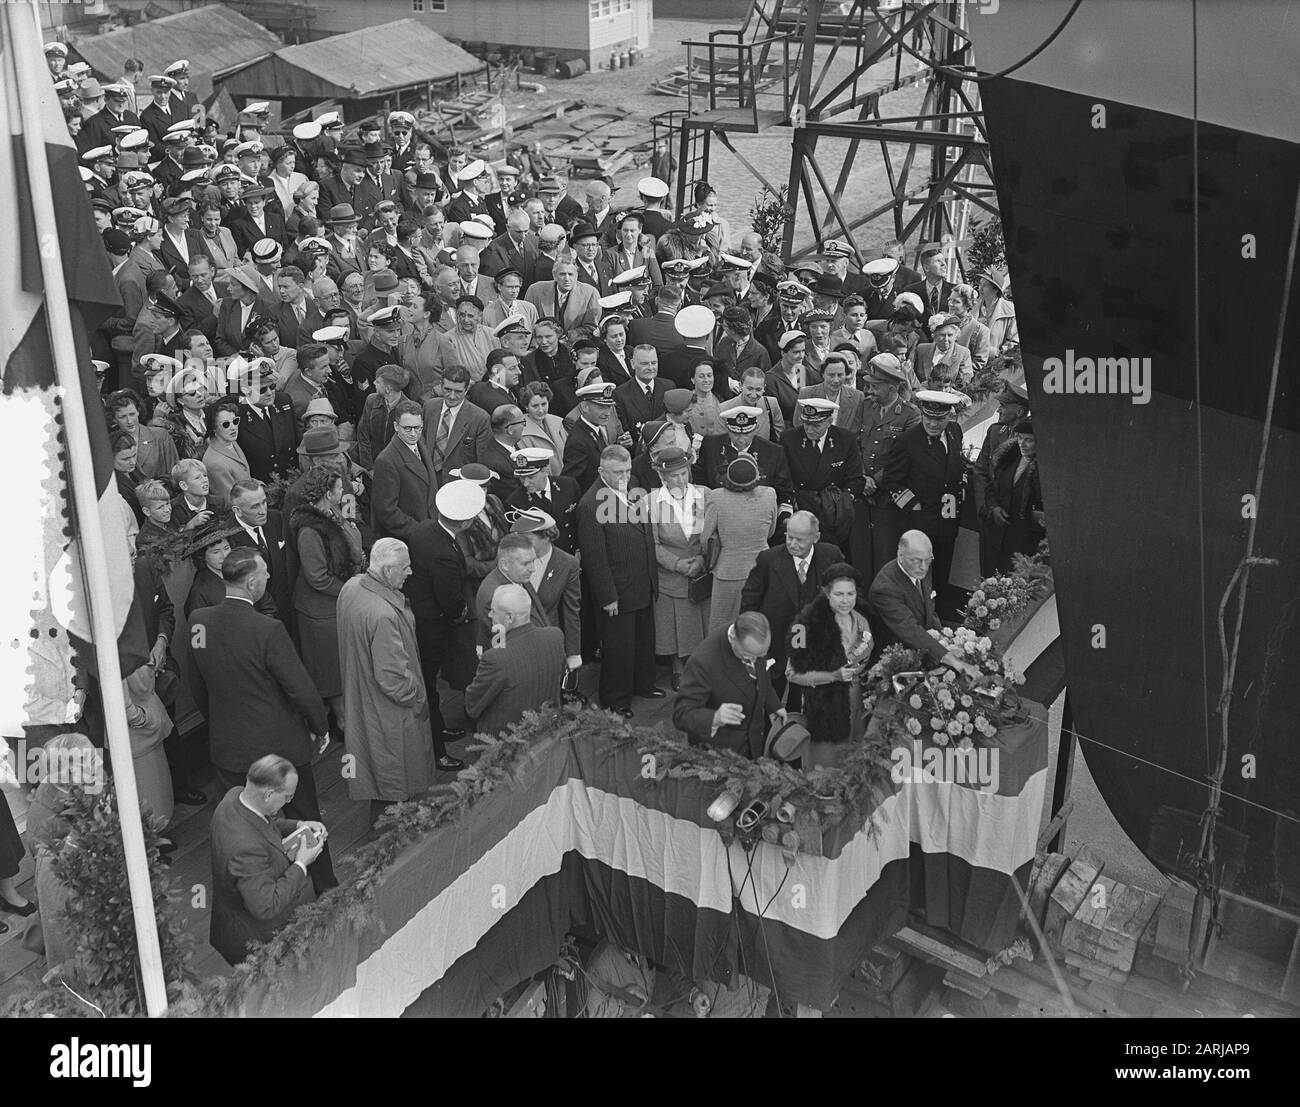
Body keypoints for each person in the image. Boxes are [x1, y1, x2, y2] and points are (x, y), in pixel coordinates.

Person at [184, 547, 336, 891]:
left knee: (236, 827)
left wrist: (219, 722)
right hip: (280, 749)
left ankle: (248, 894)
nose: (268, 576)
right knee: (306, 817)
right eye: (265, 572)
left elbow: (198, 686)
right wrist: (320, 726)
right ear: (252, 583)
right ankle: (326, 886)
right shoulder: (269, 629)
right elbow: (301, 688)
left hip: (229, 748)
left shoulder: (198, 622)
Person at [337, 538, 438, 824]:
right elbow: (393, 679)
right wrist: (418, 697)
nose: (410, 573)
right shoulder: (383, 614)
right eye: (405, 568)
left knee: (380, 779)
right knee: (397, 784)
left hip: (361, 700)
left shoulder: (351, 588)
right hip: (390, 713)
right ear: (388, 570)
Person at [208, 754, 325, 966]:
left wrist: (298, 825)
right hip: (265, 941)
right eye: (288, 796)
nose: (290, 801)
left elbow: (264, 822)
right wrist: (301, 863)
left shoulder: (236, 796)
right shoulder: (246, 849)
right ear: (269, 794)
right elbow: (266, 906)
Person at [577, 445, 660, 716]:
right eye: (617, 472)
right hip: (618, 590)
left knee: (643, 641)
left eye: (627, 470)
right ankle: (616, 699)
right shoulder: (590, 505)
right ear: (602, 472)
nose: (624, 477)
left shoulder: (632, 485)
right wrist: (608, 596)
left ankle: (643, 684)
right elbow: (595, 558)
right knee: (619, 649)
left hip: (642, 582)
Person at [739, 511, 843, 702]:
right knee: (768, 698)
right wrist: (749, 637)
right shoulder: (768, 559)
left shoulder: (831, 556)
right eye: (789, 537)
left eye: (800, 540)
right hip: (775, 642)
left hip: (812, 645)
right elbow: (750, 599)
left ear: (816, 537)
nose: (792, 544)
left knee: (802, 698)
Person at [879, 389, 966, 615]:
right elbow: (892, 482)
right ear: (923, 414)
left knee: (941, 574)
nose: (933, 424)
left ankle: (939, 616)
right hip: (918, 524)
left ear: (949, 416)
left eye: (939, 419)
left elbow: (956, 466)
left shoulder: (955, 432)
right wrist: (915, 508)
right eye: (928, 418)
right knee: (917, 580)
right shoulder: (907, 441)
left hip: (948, 520)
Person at [289, 466, 364, 723]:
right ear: (327, 493)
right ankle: (344, 724)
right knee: (333, 676)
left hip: (338, 605)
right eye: (339, 488)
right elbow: (317, 577)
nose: (344, 491)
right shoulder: (309, 530)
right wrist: (352, 589)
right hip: (320, 614)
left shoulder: (333, 512)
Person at [785, 563, 873, 768]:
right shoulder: (803, 625)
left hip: (857, 704)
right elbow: (792, 673)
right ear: (826, 593)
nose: (845, 600)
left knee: (852, 763)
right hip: (824, 707)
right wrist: (833, 676)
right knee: (824, 768)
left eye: (850, 594)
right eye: (839, 594)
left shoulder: (862, 620)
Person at [868, 531, 980, 677]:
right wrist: (953, 660)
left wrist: (945, 640)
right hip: (898, 661)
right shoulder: (885, 588)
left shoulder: (921, 566)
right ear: (900, 555)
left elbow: (929, 610)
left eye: (928, 560)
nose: (924, 567)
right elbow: (910, 630)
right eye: (916, 560)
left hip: (927, 646)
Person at [672, 612, 782, 759]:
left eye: (761, 655)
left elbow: (761, 675)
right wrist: (715, 717)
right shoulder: (703, 662)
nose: (755, 661)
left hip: (753, 746)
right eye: (749, 656)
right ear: (734, 638)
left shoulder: (754, 641)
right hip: (719, 756)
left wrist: (773, 705)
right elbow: (681, 715)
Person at [465, 583, 566, 736]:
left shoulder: (494, 659)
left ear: (509, 617)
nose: (490, 615)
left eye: (493, 611)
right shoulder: (555, 636)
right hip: (547, 731)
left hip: (507, 741)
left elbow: (472, 706)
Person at [648, 447, 712, 690]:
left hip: (700, 573)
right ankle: (678, 668)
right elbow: (652, 545)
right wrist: (676, 564)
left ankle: (702, 668)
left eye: (684, 473)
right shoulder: (650, 502)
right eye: (674, 475)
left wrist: (702, 560)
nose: (681, 479)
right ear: (662, 477)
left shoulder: (704, 495)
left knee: (702, 625)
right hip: (670, 577)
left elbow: (714, 535)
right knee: (676, 628)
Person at [855, 353, 921, 584]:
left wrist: (875, 481)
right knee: (861, 555)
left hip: (887, 498)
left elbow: (903, 458)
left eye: (875, 386)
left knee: (884, 555)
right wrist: (862, 478)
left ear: (892, 387)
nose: (869, 390)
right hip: (861, 494)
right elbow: (854, 444)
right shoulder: (865, 406)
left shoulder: (910, 414)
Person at [702, 454, 779, 634]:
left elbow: (706, 539)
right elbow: (771, 532)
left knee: (723, 630)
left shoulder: (716, 497)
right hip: (762, 569)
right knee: (757, 629)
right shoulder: (770, 494)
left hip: (728, 572)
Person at [784, 396, 865, 550]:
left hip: (835, 515)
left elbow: (856, 479)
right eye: (806, 423)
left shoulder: (845, 439)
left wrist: (842, 502)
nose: (809, 429)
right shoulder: (789, 439)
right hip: (803, 511)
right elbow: (784, 478)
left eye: (816, 425)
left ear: (829, 421)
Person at [973, 379, 1031, 577]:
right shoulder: (995, 432)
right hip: (990, 520)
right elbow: (980, 471)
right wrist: (986, 509)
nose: (999, 410)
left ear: (1019, 411)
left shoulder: (1032, 440)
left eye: (1004, 406)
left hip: (1014, 526)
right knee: (986, 575)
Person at [371, 398, 438, 538]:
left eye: (417, 428)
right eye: (407, 428)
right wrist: (420, 532)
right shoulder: (386, 461)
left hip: (429, 528)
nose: (413, 434)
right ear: (396, 426)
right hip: (410, 537)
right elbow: (387, 512)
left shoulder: (420, 445)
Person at [985, 418, 1046, 572]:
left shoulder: (1046, 468)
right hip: (998, 536)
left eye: (1029, 440)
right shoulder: (1008, 458)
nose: (1022, 444)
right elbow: (992, 488)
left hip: (1025, 541)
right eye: (1019, 438)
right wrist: (994, 508)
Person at [474, 532, 549, 646]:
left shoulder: (517, 575)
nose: (532, 569)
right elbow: (505, 644)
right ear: (505, 565)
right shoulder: (492, 597)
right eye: (525, 563)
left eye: (533, 561)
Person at [422, 364, 491, 481]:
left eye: (458, 391)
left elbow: (482, 461)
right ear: (441, 385)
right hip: (428, 480)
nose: (452, 396)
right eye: (447, 390)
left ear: (467, 389)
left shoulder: (480, 418)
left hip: (459, 483)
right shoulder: (429, 407)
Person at [202, 397, 252, 504]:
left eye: (235, 421)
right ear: (214, 429)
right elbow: (230, 501)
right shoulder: (215, 463)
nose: (233, 427)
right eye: (226, 424)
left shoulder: (230, 441)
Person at [517, 382, 568, 473]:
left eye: (544, 404)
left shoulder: (557, 423)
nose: (541, 410)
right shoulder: (522, 433)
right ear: (526, 406)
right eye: (535, 406)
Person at [974, 267, 1018, 355]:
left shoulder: (1010, 311)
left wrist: (995, 353)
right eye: (980, 284)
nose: (980, 288)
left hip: (993, 361)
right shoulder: (972, 307)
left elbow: (1013, 343)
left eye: (985, 285)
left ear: (995, 289)